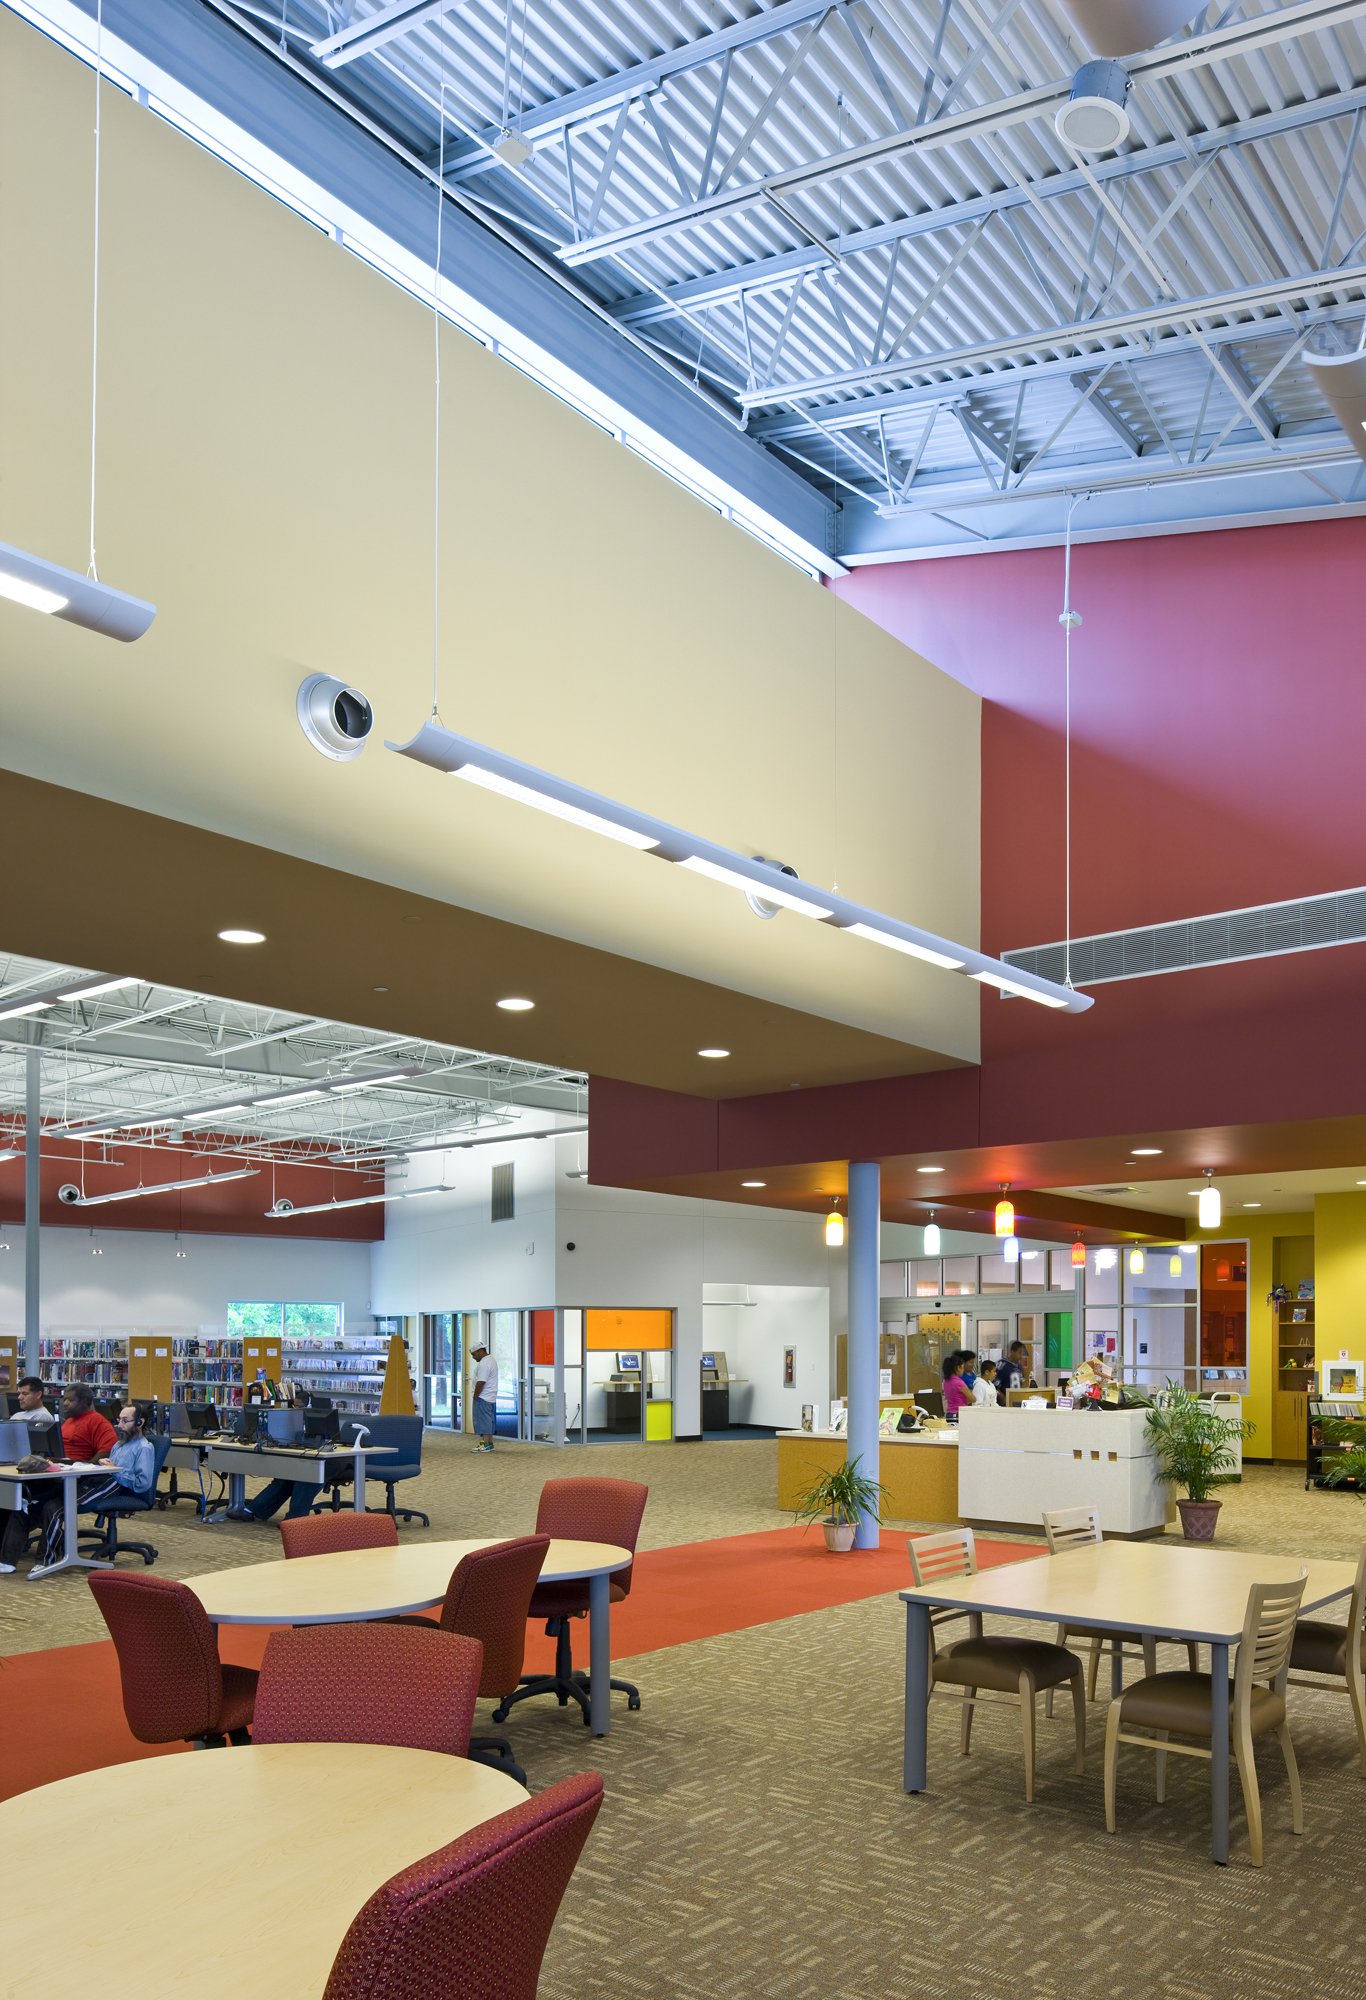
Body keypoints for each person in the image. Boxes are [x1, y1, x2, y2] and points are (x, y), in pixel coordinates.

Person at [42, 1401, 154, 1566]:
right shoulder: (120, 1443)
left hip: (115, 1485)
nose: (119, 1425)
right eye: (119, 1420)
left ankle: (46, 1560)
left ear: (140, 1423)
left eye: (125, 1421)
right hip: (103, 1479)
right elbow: (112, 1466)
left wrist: (116, 1470)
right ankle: (53, 1553)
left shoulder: (144, 1448)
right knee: (51, 1497)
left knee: (56, 1506)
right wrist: (104, 1463)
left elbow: (142, 1483)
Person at [470, 1344, 498, 1453]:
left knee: (483, 1420)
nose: (473, 1357)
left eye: (474, 1354)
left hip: (483, 1396)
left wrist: (476, 1395)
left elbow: (481, 1381)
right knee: (489, 1419)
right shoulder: (491, 1360)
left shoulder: (484, 1364)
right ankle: (489, 1443)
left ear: (480, 1351)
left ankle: (485, 1443)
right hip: (490, 1396)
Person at [941, 1353, 974, 1421]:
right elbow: (973, 1399)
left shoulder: (946, 1381)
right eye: (962, 1367)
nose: (963, 1370)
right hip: (959, 1413)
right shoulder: (959, 1382)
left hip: (949, 1413)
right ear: (958, 1368)